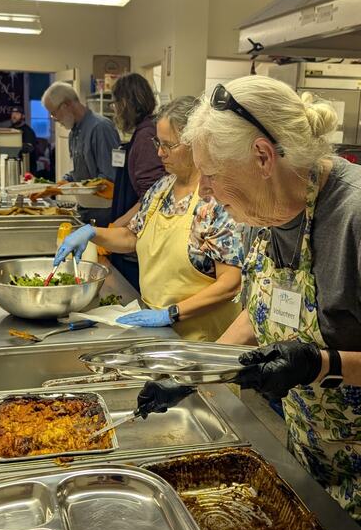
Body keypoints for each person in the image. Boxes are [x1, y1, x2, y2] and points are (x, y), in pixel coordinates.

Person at [137, 76, 361, 530]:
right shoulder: (259, 212)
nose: (205, 192)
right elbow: (261, 308)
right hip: (314, 468)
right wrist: (195, 372)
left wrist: (322, 365)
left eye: (211, 175)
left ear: (263, 157)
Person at [53, 97, 244, 342]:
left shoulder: (215, 199)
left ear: (195, 143)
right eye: (158, 143)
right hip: (159, 334)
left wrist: (172, 313)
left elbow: (231, 282)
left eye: (168, 145)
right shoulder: (162, 188)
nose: (159, 153)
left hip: (201, 340)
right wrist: (93, 233)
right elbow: (132, 236)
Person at [109, 72, 165, 289]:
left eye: (115, 103)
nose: (114, 109)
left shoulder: (145, 138)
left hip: (138, 245)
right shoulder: (145, 131)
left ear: (124, 103)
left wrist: (116, 227)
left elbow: (152, 197)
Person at [42, 81, 120, 224]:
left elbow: (109, 177)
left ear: (66, 105)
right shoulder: (74, 132)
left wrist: (71, 188)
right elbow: (78, 173)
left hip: (104, 213)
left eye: (53, 113)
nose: (55, 119)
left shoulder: (100, 128)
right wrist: (57, 186)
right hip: (85, 209)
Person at [10, 108, 37, 174]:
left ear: (23, 116)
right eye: (12, 113)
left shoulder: (28, 131)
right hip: (11, 166)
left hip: (26, 168)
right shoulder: (9, 130)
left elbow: (29, 148)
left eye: (17, 114)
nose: (14, 116)